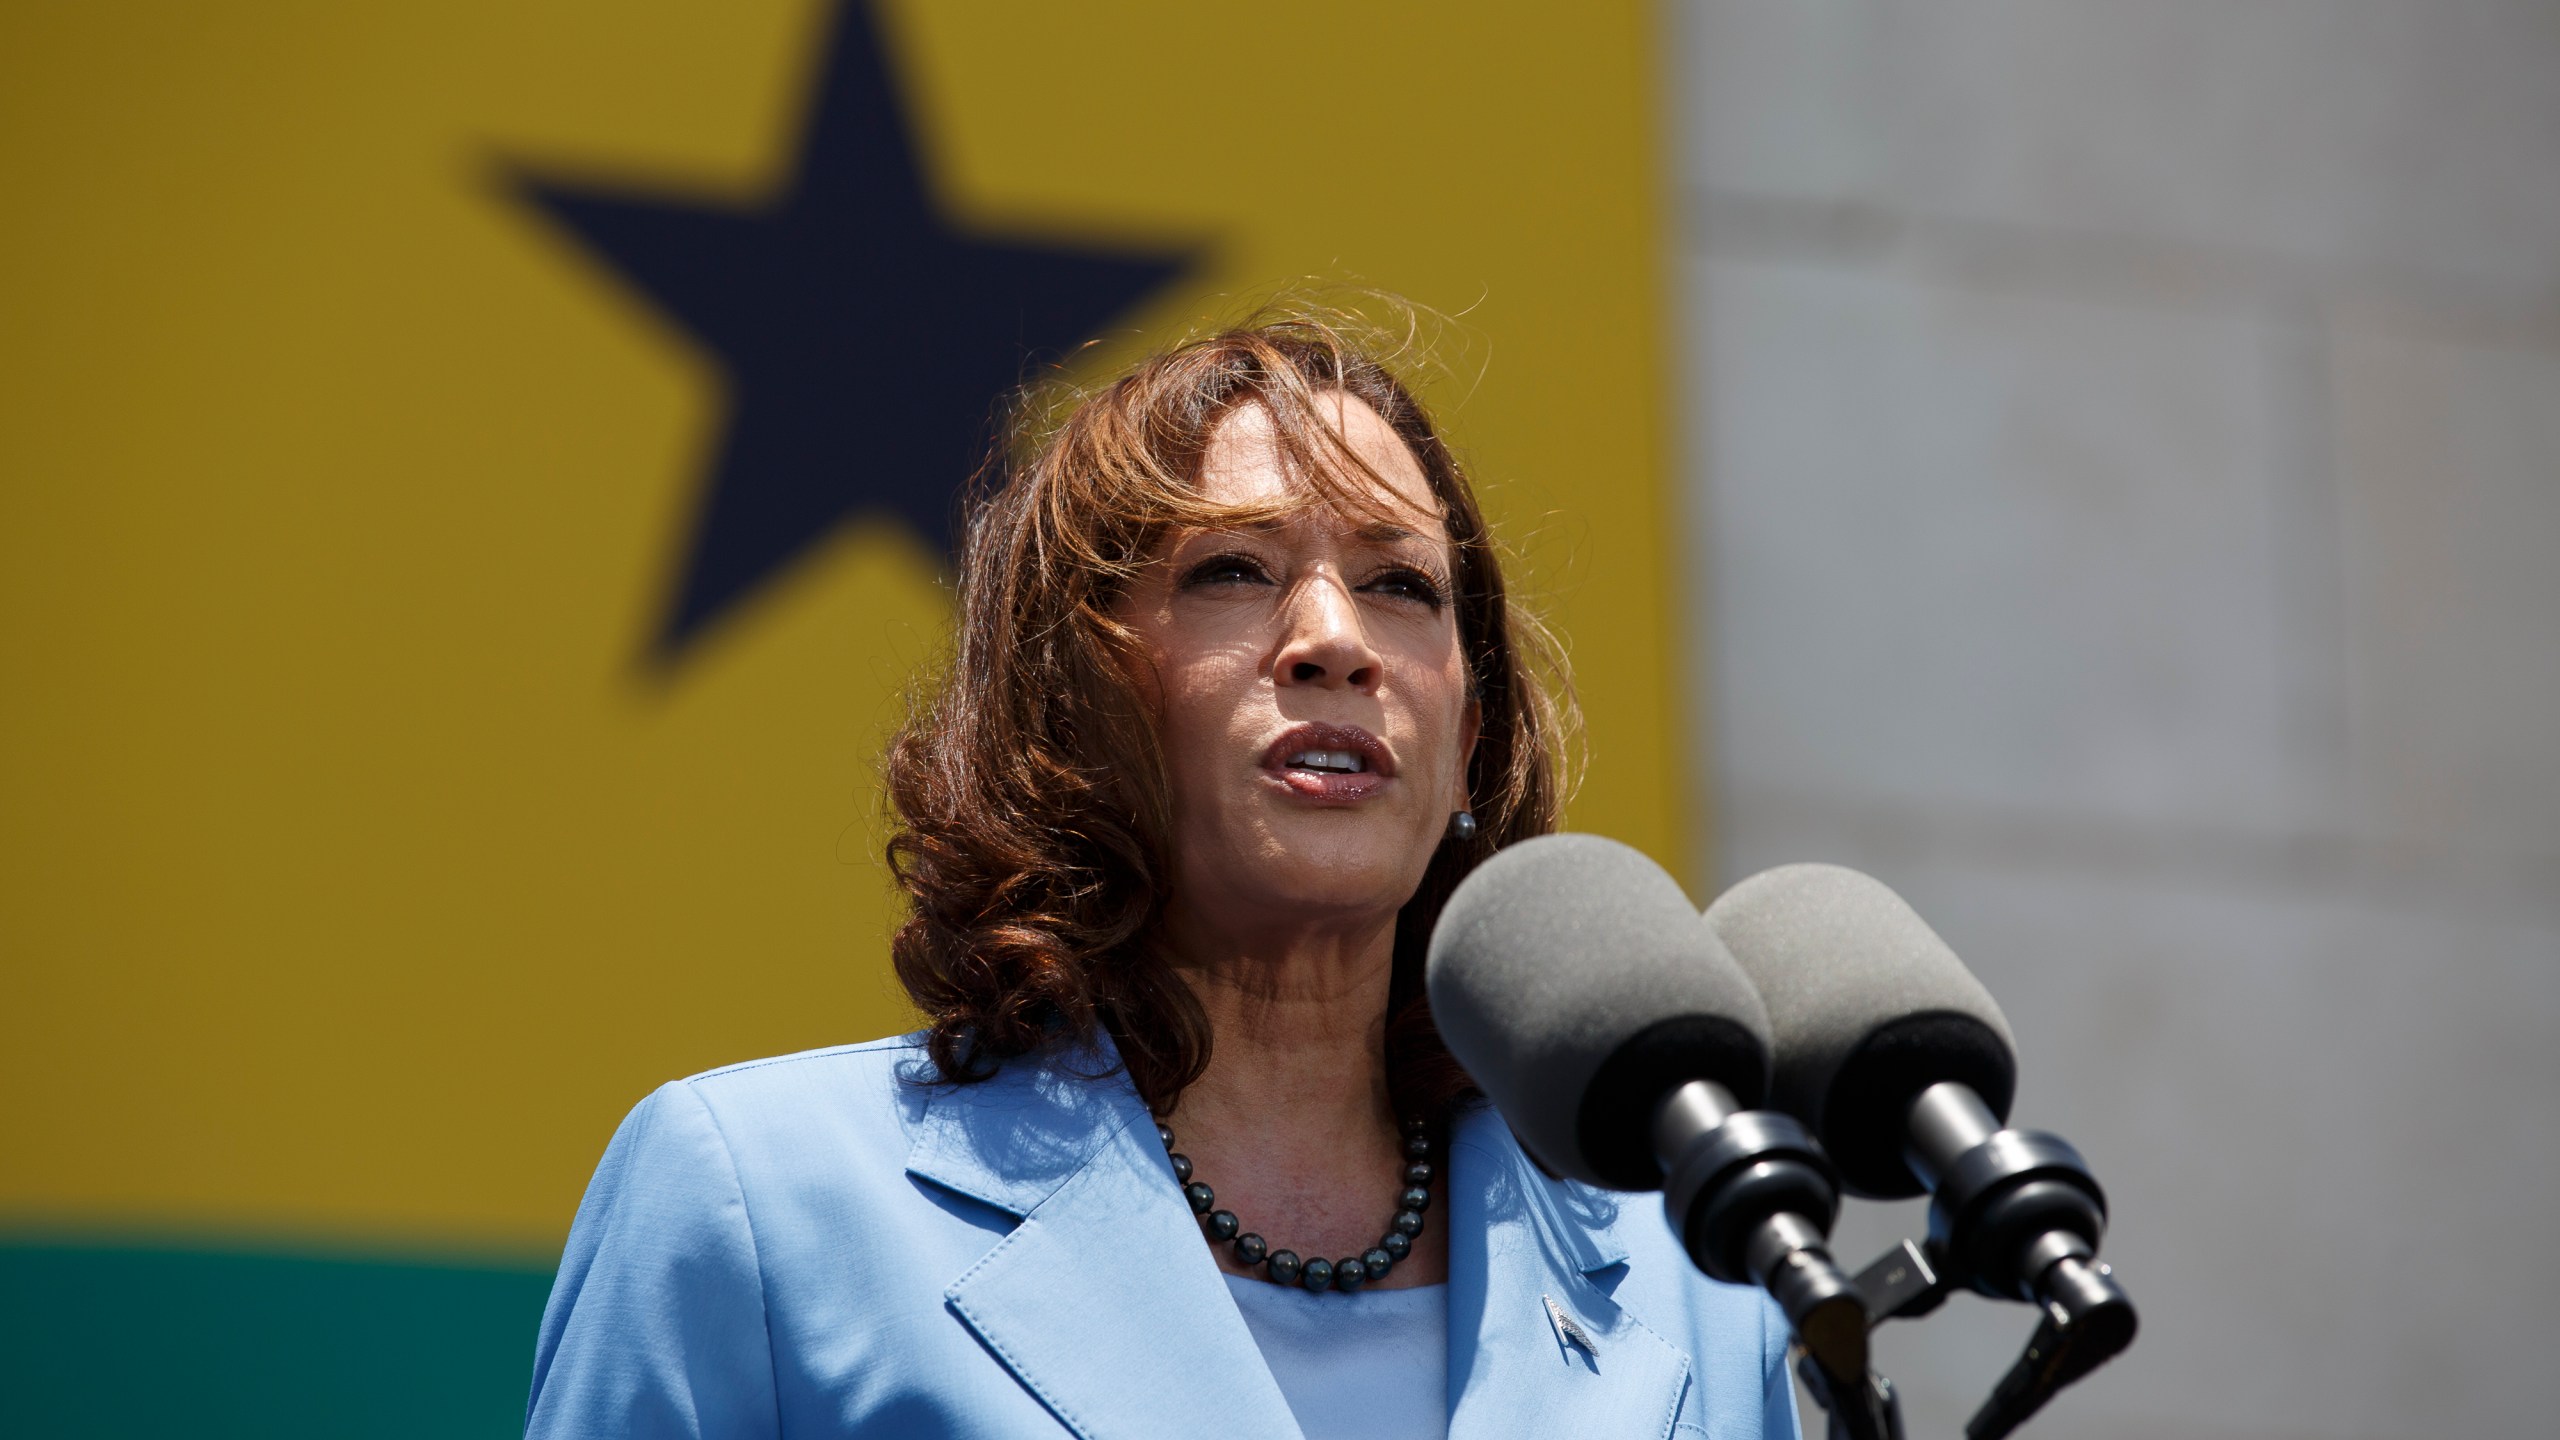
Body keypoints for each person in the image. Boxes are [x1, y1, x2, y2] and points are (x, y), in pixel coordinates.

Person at [523, 309, 1800, 1439]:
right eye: (1233, 570)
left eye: (1400, 584)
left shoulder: (1698, 1273)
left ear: (1465, 742)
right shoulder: (757, 1209)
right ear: (1073, 709)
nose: (1333, 641)